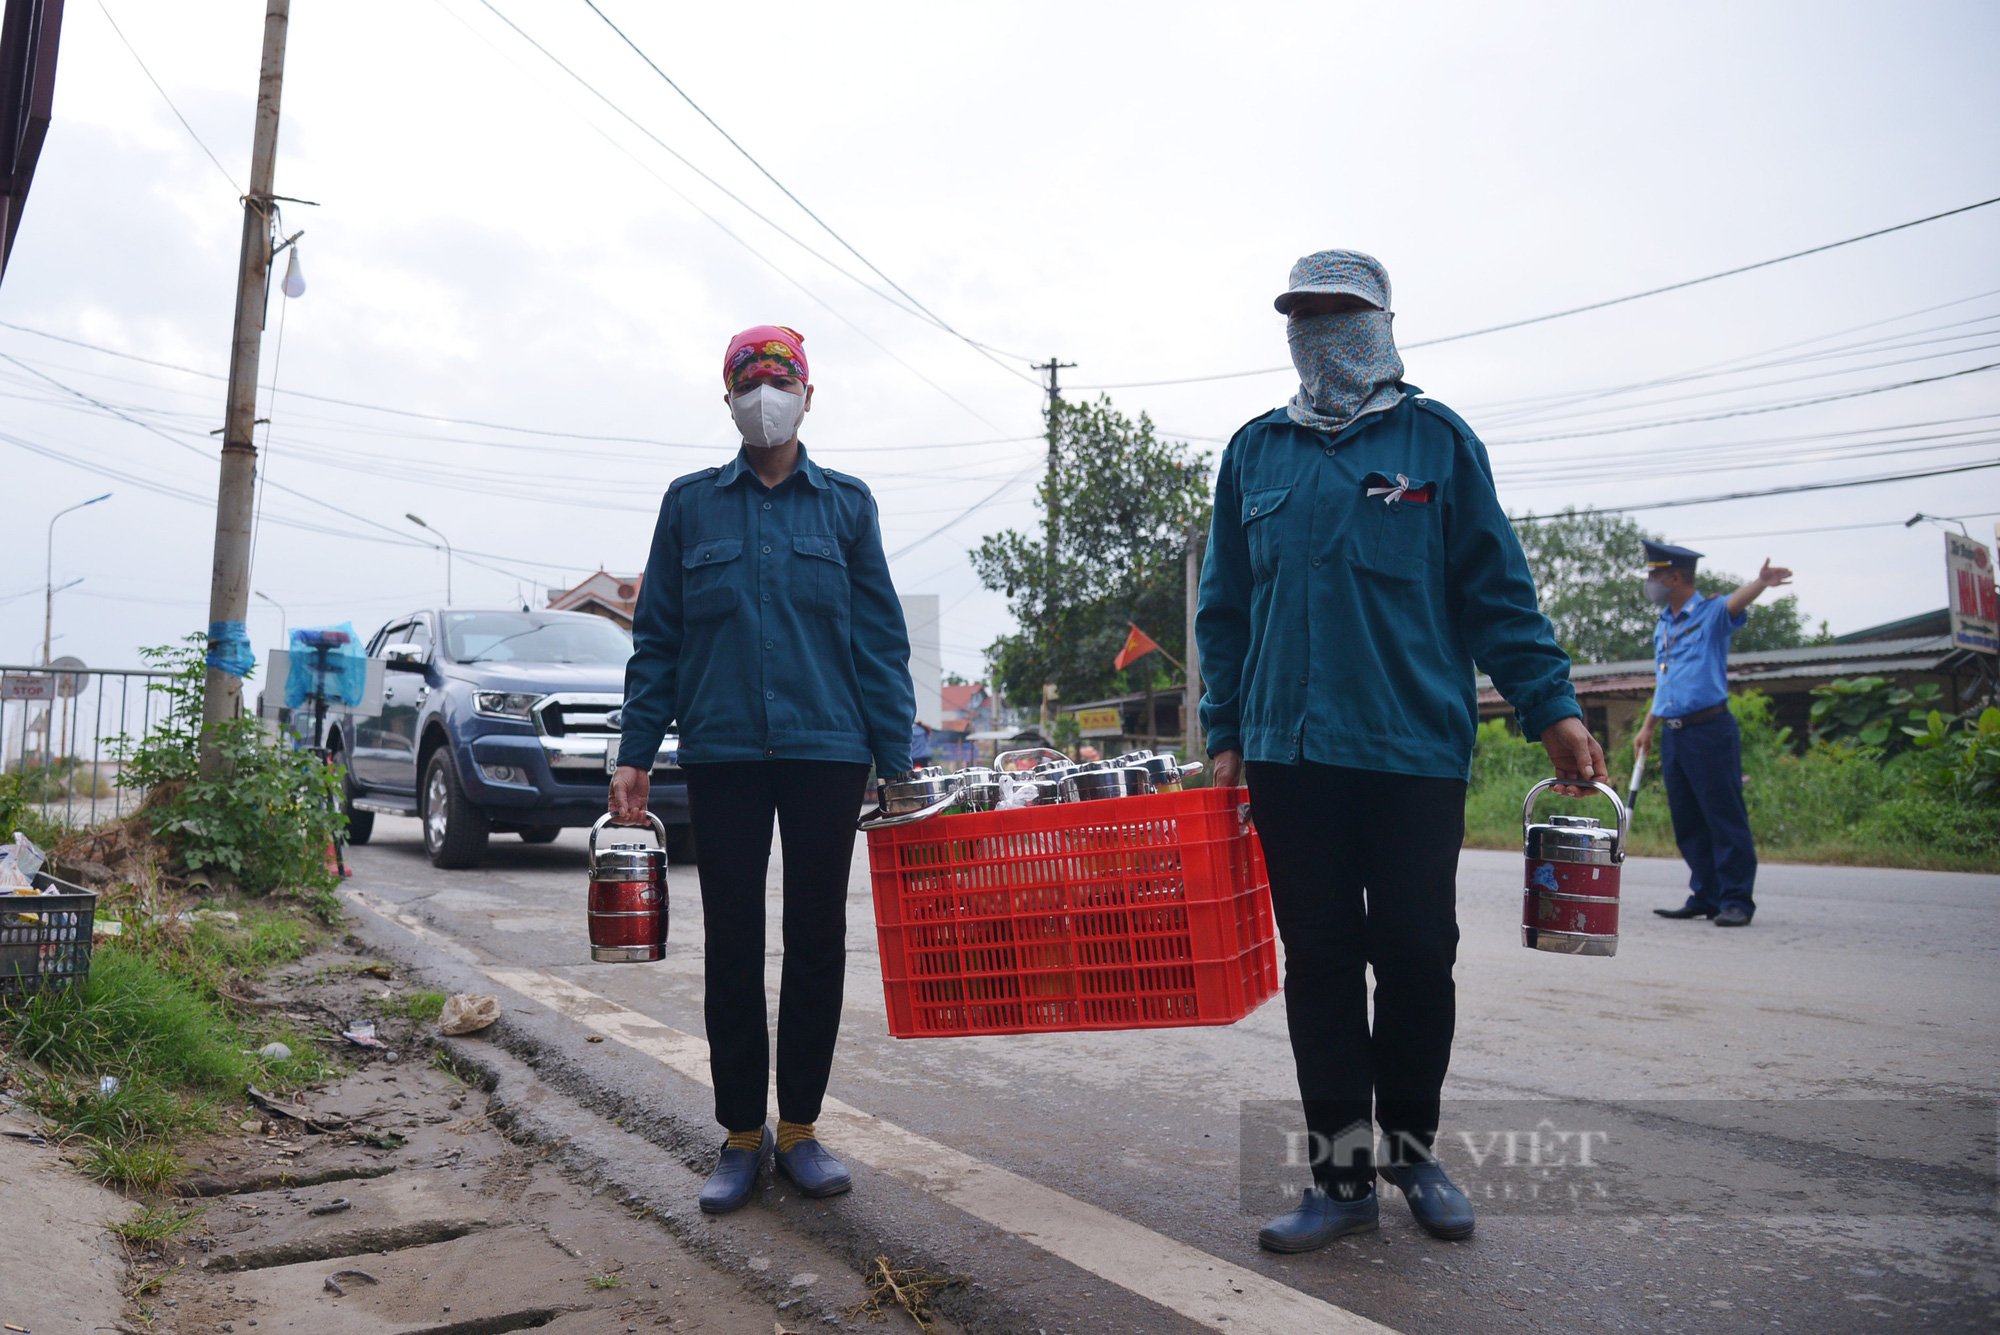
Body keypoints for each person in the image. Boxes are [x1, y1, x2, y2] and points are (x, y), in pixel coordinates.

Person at [1197, 250, 1607, 1253]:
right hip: (1292, 753)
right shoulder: (1254, 453)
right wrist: (1222, 733)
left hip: (1413, 749)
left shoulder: (1437, 443)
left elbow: (1495, 590)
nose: (1323, 334)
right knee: (1323, 962)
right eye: (1305, 316)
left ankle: (1410, 1150)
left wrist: (1549, 703)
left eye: (1342, 315)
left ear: (1382, 322)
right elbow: (1224, 609)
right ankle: (1339, 1183)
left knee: (1419, 955)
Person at [609, 324, 914, 1214]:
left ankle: (802, 1130)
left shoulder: (847, 506)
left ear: (809, 396)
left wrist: (893, 763)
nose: (767, 397)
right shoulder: (690, 504)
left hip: (829, 750)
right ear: (729, 400)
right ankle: (741, 1135)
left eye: (782, 382)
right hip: (724, 751)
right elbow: (657, 637)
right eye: (751, 383)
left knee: (818, 943)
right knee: (734, 944)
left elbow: (880, 642)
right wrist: (635, 752)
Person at [1635, 541, 1792, 928]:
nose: (1650, 583)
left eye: (1654, 575)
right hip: (1674, 734)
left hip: (1709, 730)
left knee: (1723, 817)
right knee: (1687, 821)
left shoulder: (1709, 614)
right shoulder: (1664, 624)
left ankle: (1736, 899)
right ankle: (1704, 895)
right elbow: (1666, 681)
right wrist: (1648, 727)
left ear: (1674, 577)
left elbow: (1735, 603)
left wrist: (1759, 582)